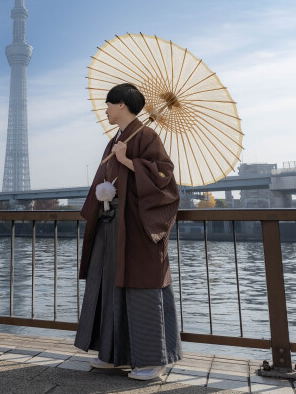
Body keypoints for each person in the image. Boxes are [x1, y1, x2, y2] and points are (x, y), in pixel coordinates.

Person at [74, 83, 182, 381]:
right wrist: (104, 193)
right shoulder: (118, 139)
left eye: (109, 104)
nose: (105, 109)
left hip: (136, 228)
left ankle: (152, 360)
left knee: (141, 288)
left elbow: (165, 175)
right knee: (109, 286)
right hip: (112, 226)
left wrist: (128, 161)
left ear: (122, 104)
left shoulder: (145, 135)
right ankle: (114, 355)